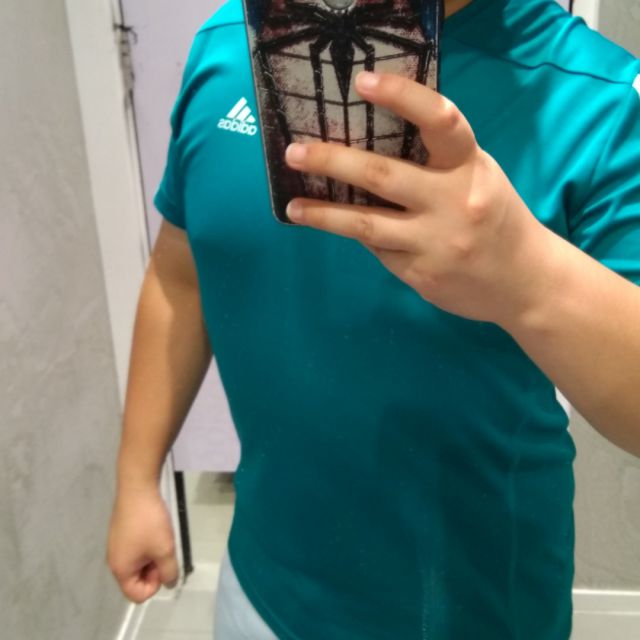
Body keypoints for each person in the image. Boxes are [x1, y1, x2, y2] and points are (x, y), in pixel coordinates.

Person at [107, 0, 640, 637]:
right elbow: (180, 276)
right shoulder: (228, 43)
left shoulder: (602, 101)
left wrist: (527, 275)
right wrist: (137, 479)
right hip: (259, 591)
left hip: (475, 613)